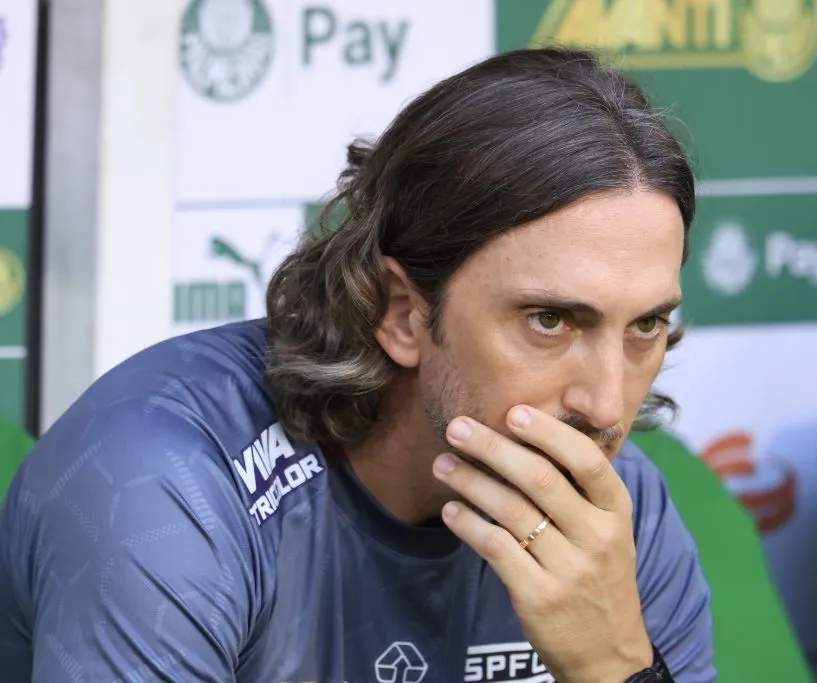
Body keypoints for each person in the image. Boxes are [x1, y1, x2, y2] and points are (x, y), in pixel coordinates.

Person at [0, 48, 715, 682]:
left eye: (646, 324)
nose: (606, 405)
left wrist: (617, 670)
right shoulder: (172, 485)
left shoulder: (619, 514)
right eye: (550, 320)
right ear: (401, 312)